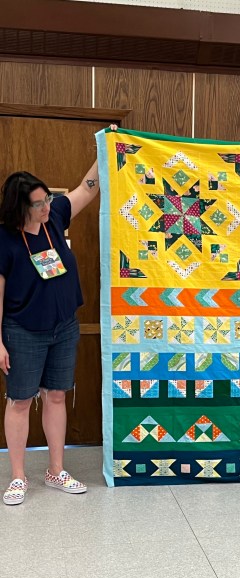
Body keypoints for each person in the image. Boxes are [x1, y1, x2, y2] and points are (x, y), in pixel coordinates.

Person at [0, 124, 117, 505]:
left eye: (47, 199)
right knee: (20, 400)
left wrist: (104, 147)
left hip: (64, 327)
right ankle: (19, 477)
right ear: (20, 207)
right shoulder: (4, 240)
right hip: (22, 331)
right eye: (38, 203)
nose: (46, 206)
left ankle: (55, 470)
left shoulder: (55, 218)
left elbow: (87, 188)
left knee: (55, 396)